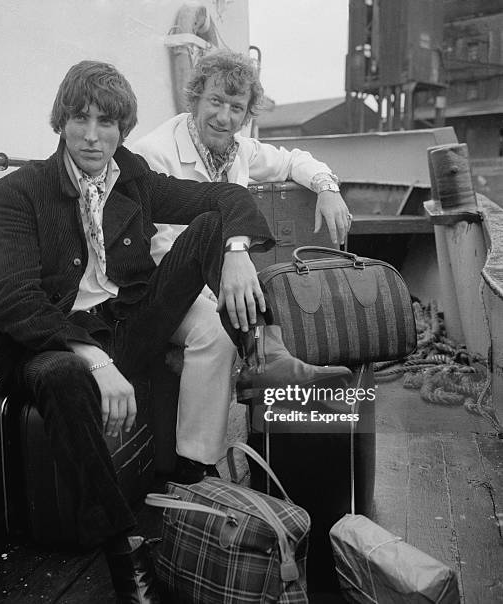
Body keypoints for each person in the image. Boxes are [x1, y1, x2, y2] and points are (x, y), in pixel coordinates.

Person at [0, 60, 350, 603]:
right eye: (79, 119)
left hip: (126, 323)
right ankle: (124, 550)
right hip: (56, 340)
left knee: (209, 227)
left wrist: (236, 250)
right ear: (60, 121)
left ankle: (251, 374)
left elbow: (223, 199)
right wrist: (96, 361)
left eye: (106, 123)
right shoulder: (20, 192)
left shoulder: (129, 173)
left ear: (121, 130)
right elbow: (11, 299)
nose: (91, 135)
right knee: (63, 377)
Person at [130, 49, 353, 462]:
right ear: (194, 98)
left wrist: (327, 188)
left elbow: (292, 160)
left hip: (215, 286)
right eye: (215, 102)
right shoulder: (154, 153)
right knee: (223, 261)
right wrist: (225, 295)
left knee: (218, 333)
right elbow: (160, 251)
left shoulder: (240, 151)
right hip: (158, 291)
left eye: (237, 108)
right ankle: (265, 351)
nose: (225, 117)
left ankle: (197, 461)